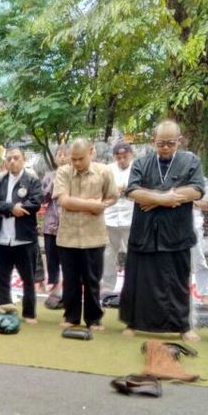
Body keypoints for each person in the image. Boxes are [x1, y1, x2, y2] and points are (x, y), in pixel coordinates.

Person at [119, 120, 205, 342]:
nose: (165, 148)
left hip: (176, 232)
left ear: (179, 141)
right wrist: (163, 198)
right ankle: (133, 323)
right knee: (138, 280)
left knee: (177, 281)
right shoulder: (141, 162)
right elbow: (133, 191)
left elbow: (196, 190)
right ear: (153, 141)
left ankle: (183, 326)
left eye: (170, 143)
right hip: (144, 232)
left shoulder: (191, 161)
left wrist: (157, 200)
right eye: (160, 143)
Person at [53, 138, 117, 330]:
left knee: (92, 280)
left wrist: (102, 206)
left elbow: (112, 196)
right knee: (70, 280)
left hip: (94, 235)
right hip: (68, 236)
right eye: (74, 159)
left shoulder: (104, 172)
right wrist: (92, 205)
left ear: (92, 152)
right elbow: (63, 201)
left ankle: (94, 319)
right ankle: (71, 317)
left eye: (81, 158)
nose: (77, 163)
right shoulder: (63, 171)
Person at [0, 148, 43, 322]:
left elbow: (35, 203)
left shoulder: (32, 181)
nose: (12, 161)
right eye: (9, 158)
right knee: (1, 277)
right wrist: (12, 208)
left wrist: (10, 207)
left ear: (23, 160)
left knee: (28, 278)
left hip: (24, 238)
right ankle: (5, 309)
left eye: (16, 158)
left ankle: (29, 313)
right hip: (1, 238)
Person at [102, 142, 135, 295]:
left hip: (130, 218)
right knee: (109, 253)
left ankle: (133, 286)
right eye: (119, 157)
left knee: (133, 253)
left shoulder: (137, 168)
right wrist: (116, 190)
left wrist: (127, 190)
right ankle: (108, 286)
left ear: (131, 155)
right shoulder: (108, 169)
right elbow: (102, 190)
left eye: (125, 156)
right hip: (111, 217)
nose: (122, 160)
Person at [41, 146, 67, 292]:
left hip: (69, 221)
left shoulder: (74, 174)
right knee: (51, 254)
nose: (62, 157)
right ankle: (53, 280)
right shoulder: (49, 175)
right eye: (59, 155)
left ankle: (70, 280)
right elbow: (42, 199)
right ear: (55, 158)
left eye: (65, 155)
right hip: (51, 221)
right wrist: (51, 184)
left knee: (68, 255)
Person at [192, 178, 208, 305]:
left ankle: (204, 293)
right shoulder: (166, 174)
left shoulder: (201, 178)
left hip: (193, 225)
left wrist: (191, 203)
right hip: (170, 225)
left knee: (199, 259)